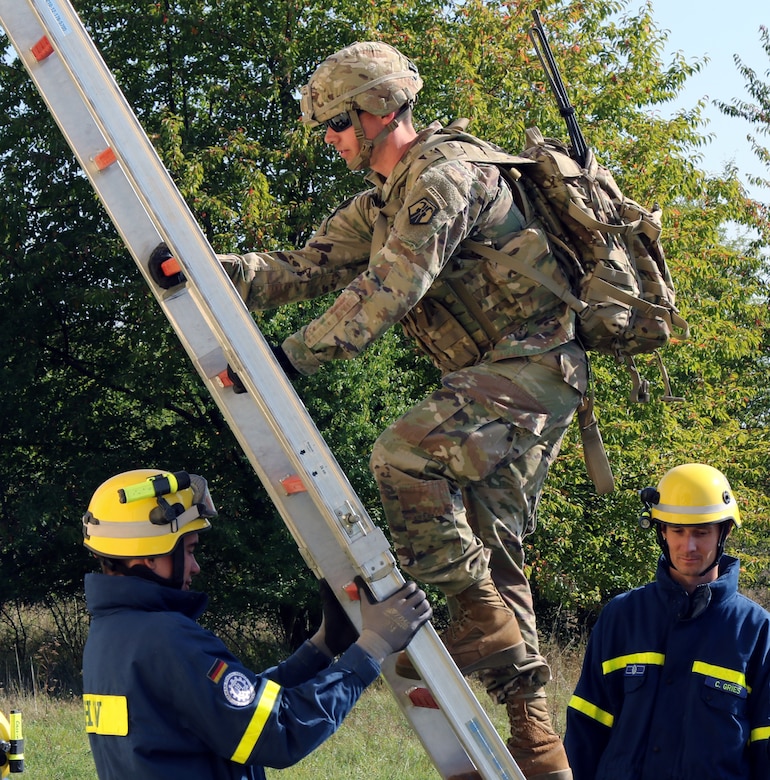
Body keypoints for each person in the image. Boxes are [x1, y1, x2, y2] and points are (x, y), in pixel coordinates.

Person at [183, 39, 588, 780]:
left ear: (375, 110)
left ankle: (484, 626)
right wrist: (209, 271)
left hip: (535, 365)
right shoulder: (381, 201)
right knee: (495, 554)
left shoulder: (445, 178)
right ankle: (538, 747)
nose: (330, 140)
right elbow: (303, 267)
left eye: (336, 123)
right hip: (501, 375)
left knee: (403, 455)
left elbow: (392, 288)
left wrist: (290, 357)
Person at [81, 468, 432, 780]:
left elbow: (232, 709)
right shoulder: (166, 639)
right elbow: (279, 731)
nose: (195, 567)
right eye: (189, 550)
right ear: (150, 555)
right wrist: (373, 647)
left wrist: (322, 647)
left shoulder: (111, 637)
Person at [564, 463, 770, 780]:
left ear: (724, 533)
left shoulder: (756, 632)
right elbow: (585, 732)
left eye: (701, 532)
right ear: (661, 531)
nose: (688, 546)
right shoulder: (621, 616)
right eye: (677, 531)